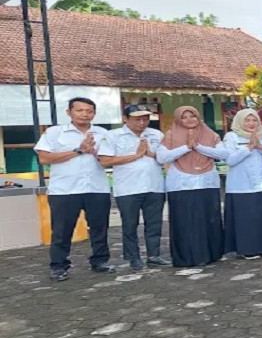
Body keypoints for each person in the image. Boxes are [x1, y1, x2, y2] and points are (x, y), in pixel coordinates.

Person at [35, 97, 115, 281]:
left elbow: (108, 160)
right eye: (79, 110)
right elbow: (44, 158)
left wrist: (95, 153)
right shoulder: (55, 132)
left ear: (94, 113)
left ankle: (100, 261)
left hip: (97, 188)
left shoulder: (103, 133)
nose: (84, 114)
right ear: (69, 112)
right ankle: (59, 266)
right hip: (64, 190)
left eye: (89, 111)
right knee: (62, 231)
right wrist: (78, 150)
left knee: (99, 228)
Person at [98, 104, 171, 272]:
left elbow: (165, 158)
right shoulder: (113, 135)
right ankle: (134, 258)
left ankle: (154, 255)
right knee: (130, 225)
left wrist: (151, 154)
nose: (142, 123)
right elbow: (105, 161)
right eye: (137, 119)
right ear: (125, 119)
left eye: (145, 119)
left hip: (154, 186)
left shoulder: (156, 134)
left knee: (154, 224)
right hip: (128, 188)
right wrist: (136, 155)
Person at [156, 106, 227, 267]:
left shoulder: (210, 134)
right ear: (178, 119)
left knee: (209, 220)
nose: (189, 119)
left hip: (207, 182)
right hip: (182, 185)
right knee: (185, 222)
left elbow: (223, 154)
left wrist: (198, 147)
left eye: (192, 116)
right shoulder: (171, 135)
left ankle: (211, 254)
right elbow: (161, 157)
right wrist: (186, 147)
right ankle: (186, 257)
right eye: (184, 117)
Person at [222, 109, 262, 260]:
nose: (251, 124)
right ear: (240, 121)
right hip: (241, 184)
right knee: (246, 218)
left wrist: (261, 147)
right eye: (247, 120)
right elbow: (230, 159)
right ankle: (248, 248)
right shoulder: (231, 136)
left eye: (254, 120)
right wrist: (248, 147)